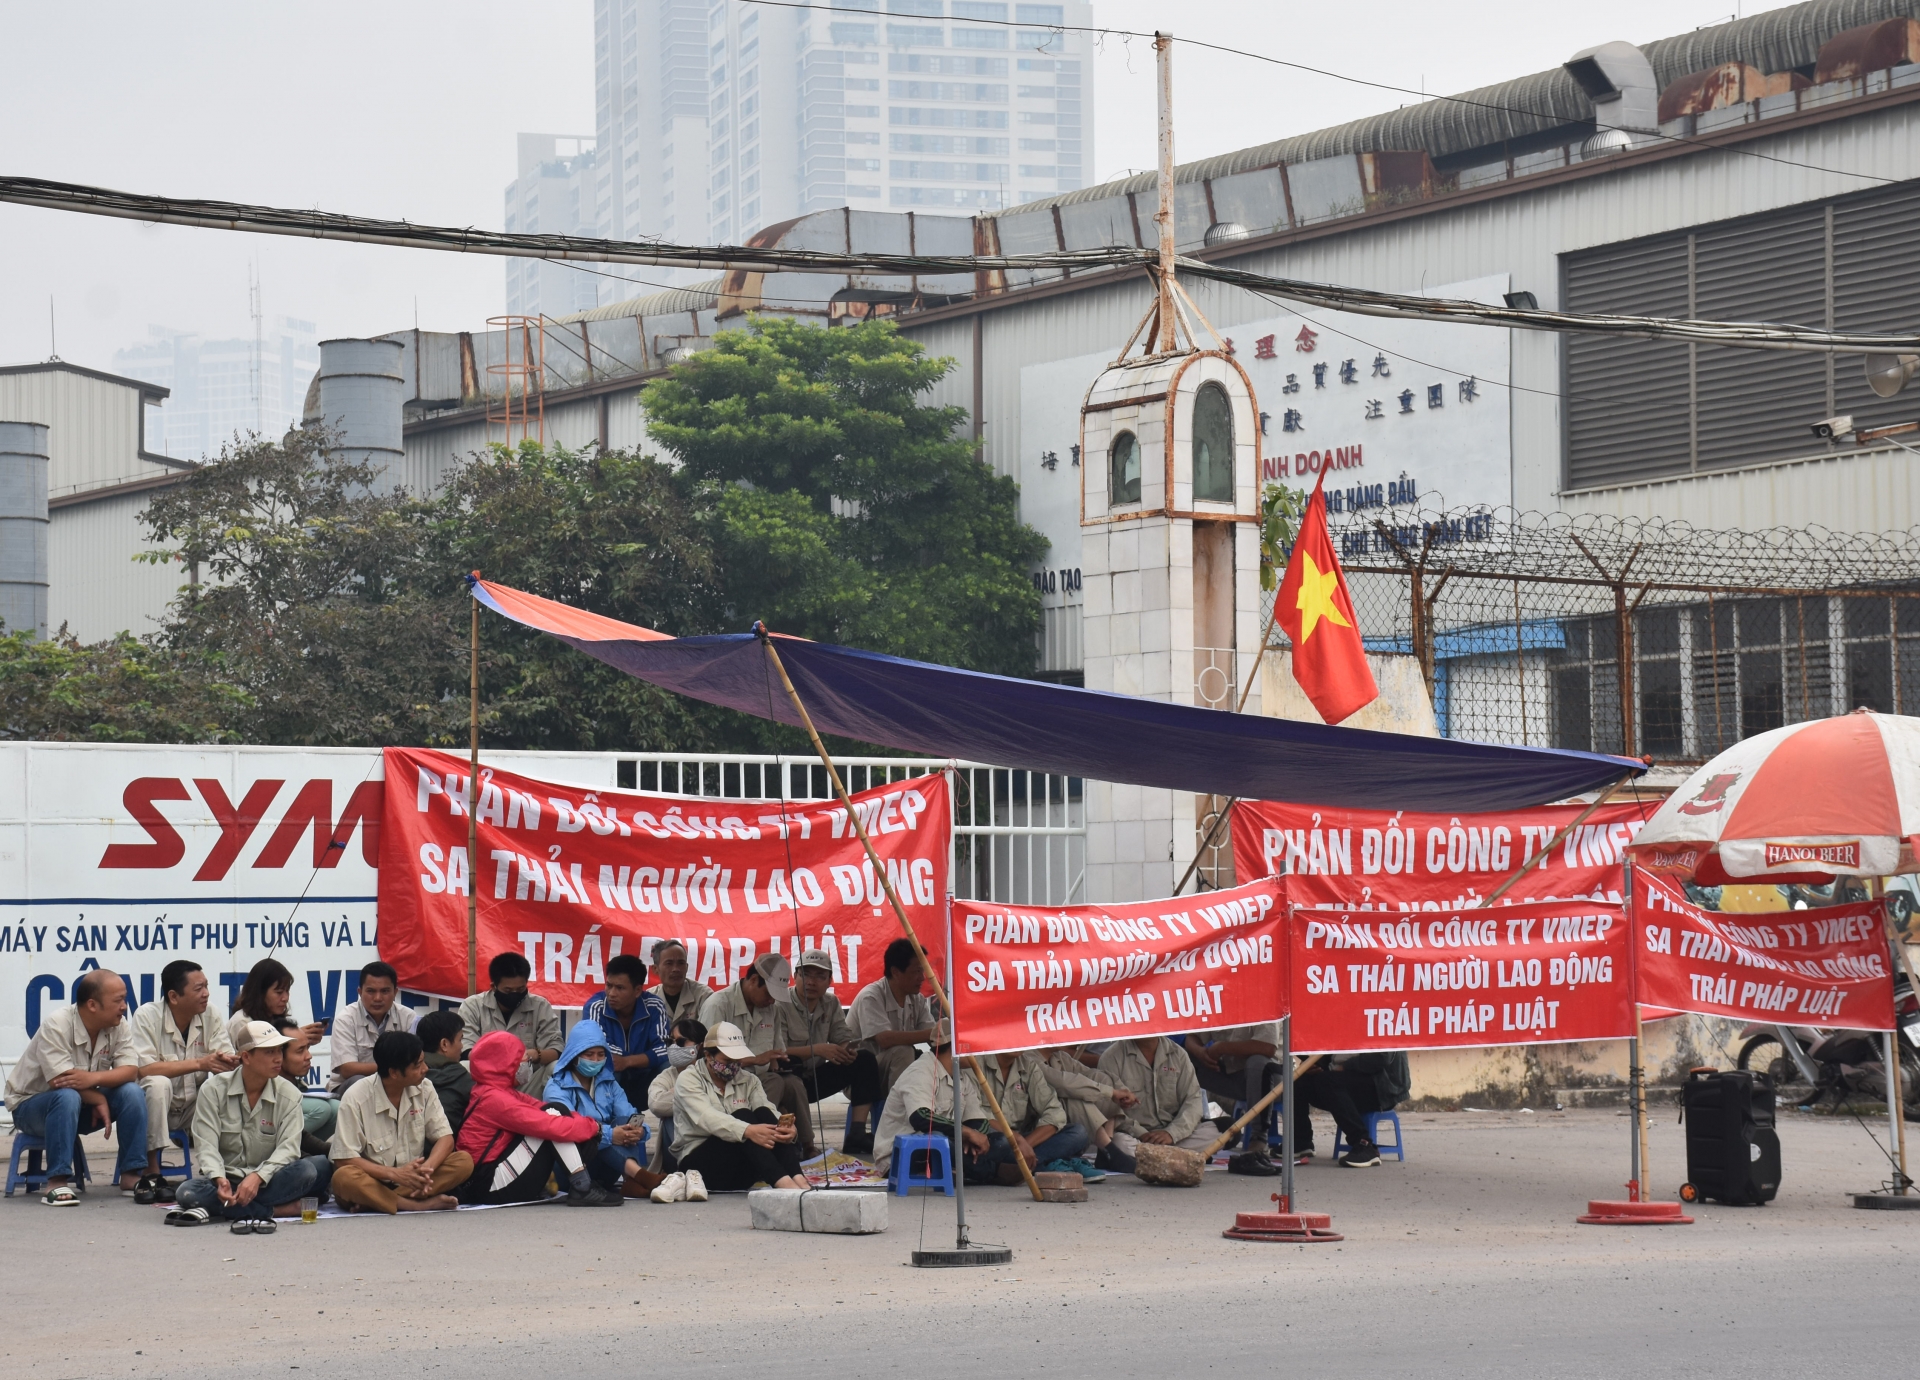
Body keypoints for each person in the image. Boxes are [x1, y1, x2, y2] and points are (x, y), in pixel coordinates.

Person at [170, 1020, 332, 1231]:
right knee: (187, 1191)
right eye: (269, 1052)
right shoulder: (213, 1090)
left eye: (279, 1051)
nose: (277, 1059)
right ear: (246, 1057)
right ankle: (275, 1210)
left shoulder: (289, 1094)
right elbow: (206, 1145)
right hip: (229, 1180)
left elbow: (289, 1149)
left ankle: (228, 1208)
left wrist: (257, 1177)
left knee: (312, 1168)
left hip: (271, 1179)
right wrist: (220, 1180)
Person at [4, 969, 148, 1204]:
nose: (124, 1006)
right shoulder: (58, 1023)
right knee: (67, 1096)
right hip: (32, 1107)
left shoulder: (118, 1025)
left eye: (124, 998)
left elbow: (130, 1071)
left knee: (132, 1092)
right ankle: (57, 1181)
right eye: (118, 1000)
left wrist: (93, 1080)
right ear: (92, 1004)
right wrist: (99, 1098)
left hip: (80, 1107)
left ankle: (132, 1175)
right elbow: (59, 1080)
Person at [455, 1030, 619, 1207]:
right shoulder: (494, 1099)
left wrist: (589, 1126)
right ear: (505, 1063)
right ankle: (583, 1187)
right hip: (486, 1185)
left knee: (556, 1110)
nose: (527, 1063)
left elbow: (546, 1110)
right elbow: (549, 1125)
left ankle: (582, 1184)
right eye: (523, 1058)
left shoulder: (498, 1091)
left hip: (490, 1177)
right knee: (553, 1121)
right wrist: (594, 1128)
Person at [328, 1031, 475, 1213]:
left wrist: (426, 1170)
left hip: (413, 1181)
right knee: (344, 1178)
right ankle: (413, 1205)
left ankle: (380, 1201)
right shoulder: (356, 1097)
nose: (426, 1069)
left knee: (463, 1161)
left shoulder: (425, 1087)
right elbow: (344, 1159)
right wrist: (395, 1174)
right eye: (418, 1065)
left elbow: (445, 1139)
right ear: (394, 1073)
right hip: (374, 1179)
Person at [658, 1021, 806, 1200]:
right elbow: (708, 1118)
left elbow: (767, 1109)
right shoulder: (689, 1079)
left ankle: (797, 1177)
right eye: (727, 1060)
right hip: (701, 1165)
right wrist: (748, 1130)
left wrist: (788, 1129)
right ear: (708, 1056)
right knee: (742, 1116)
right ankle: (784, 1183)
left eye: (737, 1061)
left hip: (743, 1165)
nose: (733, 1066)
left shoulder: (748, 1080)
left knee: (764, 1114)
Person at [130, 959, 239, 1199]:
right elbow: (144, 1069)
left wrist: (229, 1060)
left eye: (207, 986)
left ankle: (218, 1170)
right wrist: (201, 1063)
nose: (206, 994)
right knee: (158, 1083)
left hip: (192, 1107)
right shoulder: (147, 1015)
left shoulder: (211, 1013)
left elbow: (224, 1056)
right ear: (174, 996)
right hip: (155, 1106)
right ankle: (152, 1172)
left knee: (223, 1085)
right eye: (198, 989)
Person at [871, 1019, 1015, 1186]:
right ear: (957, 1046)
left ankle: (970, 1168)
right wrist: (967, 1133)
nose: (979, 1052)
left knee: (1001, 1142)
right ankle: (993, 1172)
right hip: (902, 1154)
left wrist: (974, 1137)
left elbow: (978, 1120)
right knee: (938, 1140)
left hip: (949, 1143)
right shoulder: (920, 1071)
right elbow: (921, 1118)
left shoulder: (963, 1078)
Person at [699, 952, 816, 1154]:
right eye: (769, 994)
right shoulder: (718, 1005)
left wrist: (778, 1061)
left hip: (762, 1077)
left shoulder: (773, 1009)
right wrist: (755, 1059)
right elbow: (709, 1059)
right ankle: (766, 1143)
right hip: (727, 1080)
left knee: (793, 1083)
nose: (772, 1001)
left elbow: (776, 1050)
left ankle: (807, 1145)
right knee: (775, 1083)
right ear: (754, 980)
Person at [542, 1018, 662, 1198]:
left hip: (606, 1166)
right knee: (593, 1134)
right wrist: (609, 1135)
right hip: (571, 1167)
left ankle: (631, 1180)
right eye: (589, 1055)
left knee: (625, 1123)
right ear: (574, 1055)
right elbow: (569, 1128)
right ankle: (641, 1176)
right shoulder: (556, 1087)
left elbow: (628, 1113)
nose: (595, 1060)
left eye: (600, 1054)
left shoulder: (608, 1082)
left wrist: (639, 1131)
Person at [784, 948, 887, 1155]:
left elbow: (843, 1035)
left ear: (830, 981)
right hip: (789, 1076)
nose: (812, 982)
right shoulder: (780, 1004)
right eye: (806, 974)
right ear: (794, 976)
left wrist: (846, 1049)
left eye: (820, 976)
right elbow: (777, 1051)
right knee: (787, 1070)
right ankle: (803, 1141)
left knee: (864, 1059)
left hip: (816, 1076)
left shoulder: (831, 1003)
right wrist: (818, 1050)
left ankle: (857, 1133)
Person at [1098, 1035, 1213, 1175]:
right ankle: (1183, 1157)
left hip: (1173, 1136)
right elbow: (1109, 1107)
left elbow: (1193, 1101)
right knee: (1117, 1141)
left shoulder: (1178, 1054)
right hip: (1135, 1136)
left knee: (1221, 1131)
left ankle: (1155, 1158)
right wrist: (1142, 1134)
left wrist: (1171, 1133)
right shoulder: (1112, 1057)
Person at [976, 1047, 1094, 1178]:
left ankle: (1028, 1164)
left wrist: (1026, 1145)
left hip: (1024, 1141)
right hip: (991, 1140)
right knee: (1001, 1142)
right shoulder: (975, 1064)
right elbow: (976, 1115)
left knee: (1078, 1133)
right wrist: (1018, 1140)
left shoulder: (1029, 1066)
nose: (1015, 1042)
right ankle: (1050, 1162)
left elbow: (1054, 1112)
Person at [457, 952, 562, 1096]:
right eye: (508, 990)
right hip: (486, 1084)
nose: (515, 994)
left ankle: (550, 1114)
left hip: (527, 1084)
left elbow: (556, 1049)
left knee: (555, 1068)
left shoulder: (540, 1006)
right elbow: (466, 1050)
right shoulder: (472, 1006)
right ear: (493, 986)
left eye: (520, 990)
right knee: (464, 1067)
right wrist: (500, 1062)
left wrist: (535, 1054)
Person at [1183, 1022, 1282, 1175]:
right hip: (1230, 1073)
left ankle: (1258, 1139)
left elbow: (1267, 1047)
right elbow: (1192, 1038)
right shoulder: (1219, 1000)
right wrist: (1201, 1052)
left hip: (1272, 1079)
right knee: (1183, 1056)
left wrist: (1221, 1047)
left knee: (1257, 1062)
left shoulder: (1264, 1002)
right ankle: (1182, 1128)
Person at [848, 939, 936, 1097]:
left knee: (939, 1060)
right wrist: (934, 1033)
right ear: (895, 972)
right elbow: (884, 1039)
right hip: (861, 1077)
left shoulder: (917, 999)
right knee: (903, 1052)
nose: (922, 978)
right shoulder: (871, 996)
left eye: (923, 971)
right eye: (916, 971)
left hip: (893, 1070)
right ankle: (898, 1114)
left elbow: (935, 1038)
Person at [1292, 1052, 1411, 1168]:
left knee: (1327, 1081)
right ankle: (1301, 1142)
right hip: (1343, 1075)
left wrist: (1346, 1067)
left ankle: (1364, 1144)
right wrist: (1317, 1064)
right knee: (1299, 1082)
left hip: (1381, 1085)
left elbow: (1380, 1059)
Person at [582, 953, 668, 1107]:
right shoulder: (596, 1006)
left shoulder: (654, 1006)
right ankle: (606, 1119)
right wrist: (645, 1056)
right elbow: (601, 1049)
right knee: (606, 1064)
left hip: (646, 1077)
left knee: (669, 1066)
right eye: (609, 985)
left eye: (620, 988)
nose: (611, 993)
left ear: (637, 991)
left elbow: (664, 1049)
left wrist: (627, 1061)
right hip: (615, 1074)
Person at [327, 961, 418, 1095]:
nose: (377, 998)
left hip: (397, 1083)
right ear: (359, 992)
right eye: (371, 991)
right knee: (359, 1082)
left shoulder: (409, 1017)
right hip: (349, 1088)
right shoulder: (346, 1018)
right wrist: (394, 1067)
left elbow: (416, 1062)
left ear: (395, 992)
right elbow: (347, 1069)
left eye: (385, 991)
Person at [1038, 1045, 1137, 1165]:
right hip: (1043, 1124)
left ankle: (1106, 1147)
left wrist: (1122, 1091)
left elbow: (1090, 1074)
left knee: (1104, 1079)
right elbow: (1063, 1083)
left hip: (1067, 1124)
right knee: (1076, 1096)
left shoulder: (1060, 1056)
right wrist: (1110, 1092)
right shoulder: (1029, 1058)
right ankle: (1109, 1150)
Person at [645, 1019, 706, 1172]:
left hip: (708, 1145)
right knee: (671, 1117)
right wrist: (693, 1095)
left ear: (700, 1046)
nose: (673, 1047)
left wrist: (676, 1093)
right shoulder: (666, 1076)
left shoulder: (711, 1073)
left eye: (680, 1042)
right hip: (676, 1154)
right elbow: (656, 1104)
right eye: (669, 1042)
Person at [228, 958, 323, 1051]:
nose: (285, 998)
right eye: (279, 992)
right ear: (260, 992)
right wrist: (294, 1039)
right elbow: (258, 1063)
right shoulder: (241, 1022)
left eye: (287, 991)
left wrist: (303, 1041)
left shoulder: (274, 1018)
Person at [417, 1009, 473, 1133]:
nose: (462, 1046)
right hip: (448, 1147)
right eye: (460, 1040)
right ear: (444, 1044)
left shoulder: (407, 1073)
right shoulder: (460, 1076)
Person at [648, 940, 705, 1032]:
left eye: (681, 963)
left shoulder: (703, 996)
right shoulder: (647, 1000)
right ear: (655, 969)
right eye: (669, 963)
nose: (676, 969)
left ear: (686, 967)